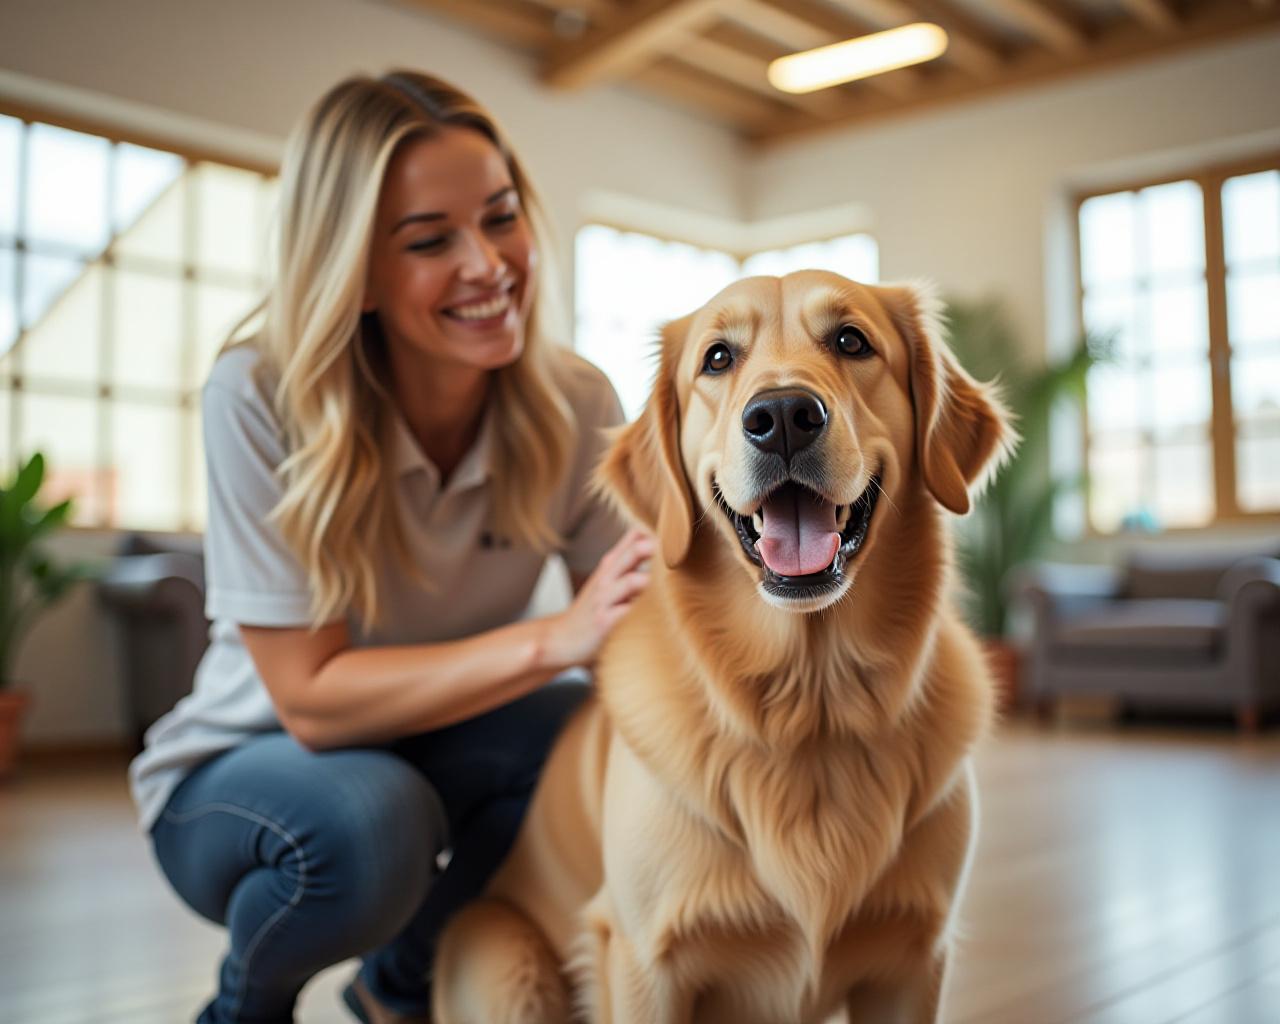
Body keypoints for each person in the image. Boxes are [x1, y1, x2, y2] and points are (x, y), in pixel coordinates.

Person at [128, 70, 653, 1024]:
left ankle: (399, 989)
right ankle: (245, 1008)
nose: (489, 264)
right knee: (374, 822)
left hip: (439, 741)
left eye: (500, 218)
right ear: (356, 270)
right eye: (429, 241)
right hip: (244, 772)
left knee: (588, 736)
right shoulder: (256, 395)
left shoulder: (577, 402)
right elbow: (314, 703)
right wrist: (552, 639)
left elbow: (634, 642)